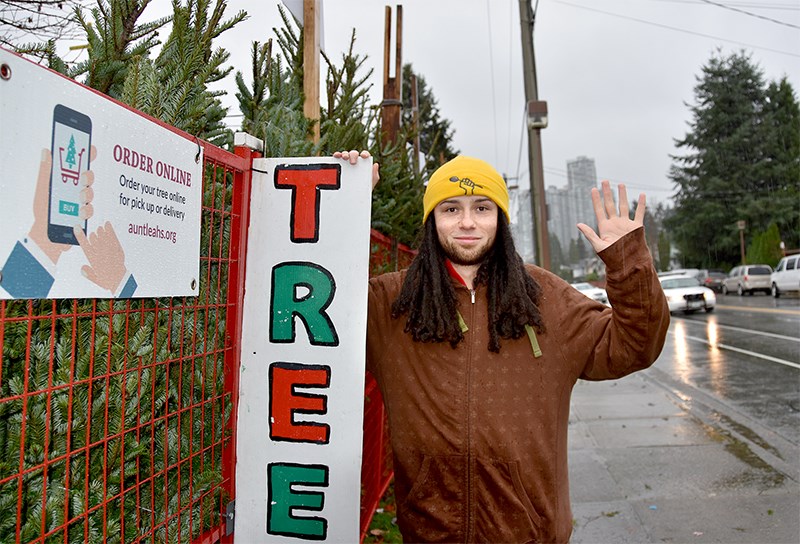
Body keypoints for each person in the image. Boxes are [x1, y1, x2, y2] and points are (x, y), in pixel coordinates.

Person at [337, 151, 670, 543]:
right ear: (432, 220)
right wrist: (345, 204)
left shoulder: (545, 298)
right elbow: (315, 310)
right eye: (450, 209)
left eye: (481, 207)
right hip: (429, 533)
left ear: (500, 218)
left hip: (528, 533)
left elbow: (635, 345)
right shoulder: (390, 303)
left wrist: (627, 262)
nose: (467, 222)